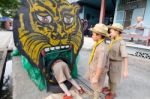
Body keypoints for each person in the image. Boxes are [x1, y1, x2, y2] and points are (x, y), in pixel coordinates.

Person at [104, 23, 128, 99]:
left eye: (111, 31)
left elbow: (125, 57)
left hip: (116, 64)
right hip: (109, 62)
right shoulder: (113, 40)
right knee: (110, 77)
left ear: (117, 32)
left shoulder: (121, 42)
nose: (110, 33)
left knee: (113, 79)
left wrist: (125, 70)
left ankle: (112, 93)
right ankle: (109, 88)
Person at [87, 23, 110, 99]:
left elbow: (101, 65)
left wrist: (96, 77)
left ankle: (96, 97)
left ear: (99, 36)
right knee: (94, 86)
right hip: (94, 70)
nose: (92, 36)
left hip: (98, 72)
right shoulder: (97, 44)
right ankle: (94, 94)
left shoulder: (102, 49)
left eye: (93, 34)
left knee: (97, 87)